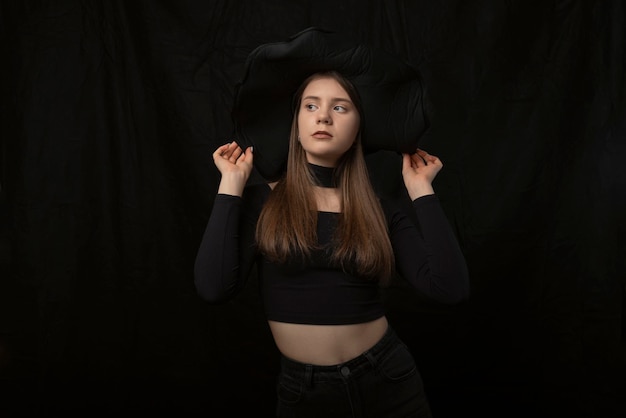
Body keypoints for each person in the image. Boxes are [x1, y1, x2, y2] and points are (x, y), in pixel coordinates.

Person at [195, 29, 469, 418]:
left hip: (389, 382)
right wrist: (230, 187)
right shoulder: (262, 204)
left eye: (340, 107)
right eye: (311, 105)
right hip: (304, 395)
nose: (323, 115)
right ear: (297, 122)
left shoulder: (381, 210)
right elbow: (213, 288)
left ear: (359, 125)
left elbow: (450, 289)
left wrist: (421, 191)